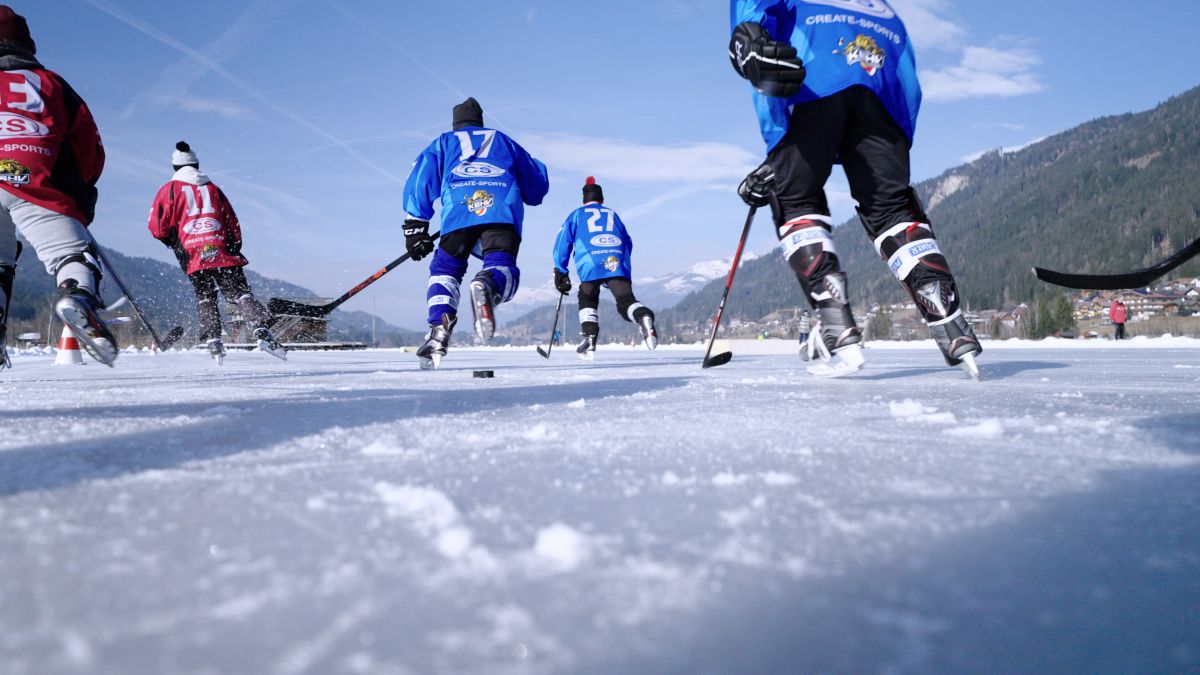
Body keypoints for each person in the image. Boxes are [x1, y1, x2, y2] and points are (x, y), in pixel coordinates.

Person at [728, 0, 982, 378]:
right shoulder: (880, 5)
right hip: (881, 89)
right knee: (892, 209)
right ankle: (946, 314)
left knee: (795, 198)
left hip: (810, 79)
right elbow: (908, 80)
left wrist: (746, 39)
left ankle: (834, 320)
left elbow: (753, 17)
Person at [0, 5, 115, 367]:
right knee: (73, 255)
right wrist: (82, 194)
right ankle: (77, 296)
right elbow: (90, 150)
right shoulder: (52, 83)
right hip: (36, 178)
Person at [403, 97, 549, 369]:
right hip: (502, 211)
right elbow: (537, 187)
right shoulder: (504, 141)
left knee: (445, 268)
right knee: (501, 264)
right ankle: (488, 284)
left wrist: (416, 225)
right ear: (480, 121)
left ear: (456, 123)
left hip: (459, 211)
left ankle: (438, 331)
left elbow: (421, 179)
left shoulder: (444, 143)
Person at [148, 141, 286, 363]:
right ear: (197, 164)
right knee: (240, 293)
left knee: (205, 295)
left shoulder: (169, 190)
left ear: (174, 167)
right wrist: (234, 246)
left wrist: (172, 241)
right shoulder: (213, 188)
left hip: (192, 253)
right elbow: (231, 220)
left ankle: (213, 340)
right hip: (221, 248)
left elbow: (157, 227)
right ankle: (261, 330)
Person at [552, 176, 657, 360]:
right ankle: (643, 316)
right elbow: (628, 242)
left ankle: (589, 340)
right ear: (602, 199)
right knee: (626, 301)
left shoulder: (576, 214)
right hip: (615, 259)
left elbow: (563, 243)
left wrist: (560, 270)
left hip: (590, 261)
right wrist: (620, 266)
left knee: (587, 296)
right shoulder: (612, 214)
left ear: (584, 199)